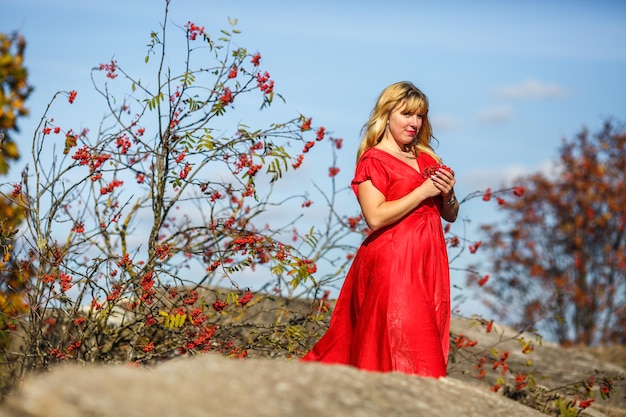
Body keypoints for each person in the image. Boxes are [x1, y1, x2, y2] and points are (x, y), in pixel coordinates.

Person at [301, 81, 459, 378]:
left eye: (420, 116)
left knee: (425, 338)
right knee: (407, 346)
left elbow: (449, 214)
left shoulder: (427, 158)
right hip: (393, 261)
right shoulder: (373, 159)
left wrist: (448, 194)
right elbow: (375, 217)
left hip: (429, 262)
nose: (414, 123)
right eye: (407, 114)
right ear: (387, 115)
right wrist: (423, 191)